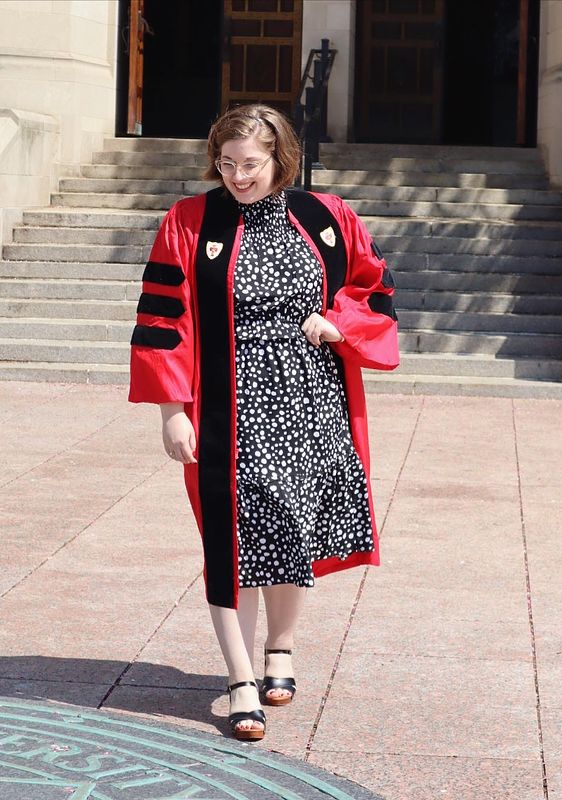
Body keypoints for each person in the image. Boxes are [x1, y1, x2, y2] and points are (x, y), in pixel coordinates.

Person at [128, 103, 399, 741]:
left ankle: (282, 648)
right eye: (225, 164)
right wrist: (172, 411)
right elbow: (164, 319)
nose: (237, 177)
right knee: (229, 539)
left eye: (250, 164)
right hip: (228, 407)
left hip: (312, 403)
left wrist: (340, 327)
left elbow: (375, 289)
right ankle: (240, 680)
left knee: (291, 532)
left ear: (282, 160)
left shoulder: (326, 217)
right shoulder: (188, 221)